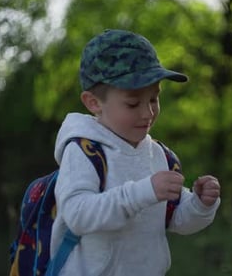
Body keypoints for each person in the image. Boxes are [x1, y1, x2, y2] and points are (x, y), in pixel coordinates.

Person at [50, 29, 221, 276]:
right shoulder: (85, 151)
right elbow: (77, 214)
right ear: (93, 102)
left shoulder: (159, 155)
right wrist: (143, 192)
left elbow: (175, 219)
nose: (148, 113)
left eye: (153, 99)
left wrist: (200, 205)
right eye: (133, 103)